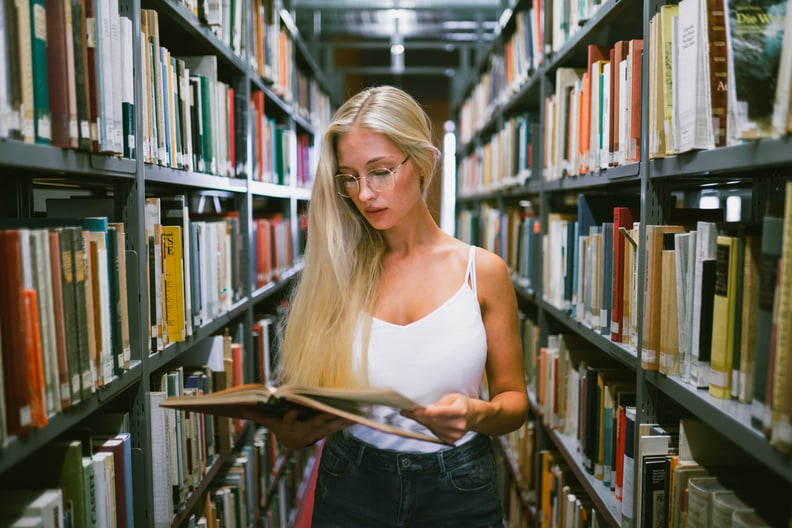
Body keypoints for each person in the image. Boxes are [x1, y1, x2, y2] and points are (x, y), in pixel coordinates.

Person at [262, 85, 528, 527]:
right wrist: (293, 432)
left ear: (422, 161)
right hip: (352, 480)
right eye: (349, 177)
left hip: (458, 486)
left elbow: (514, 401)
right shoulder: (335, 276)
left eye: (380, 171)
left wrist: (477, 414)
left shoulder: (482, 271)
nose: (364, 194)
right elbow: (299, 406)